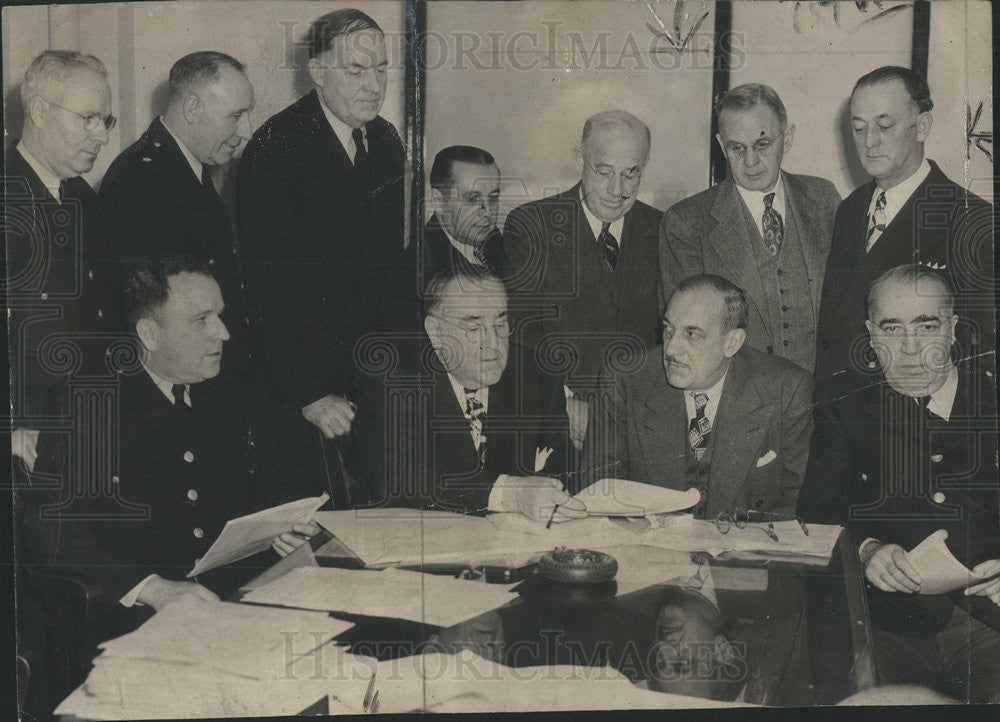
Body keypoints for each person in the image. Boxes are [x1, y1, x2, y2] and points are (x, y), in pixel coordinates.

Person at [21, 255, 301, 640]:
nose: (223, 333)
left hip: (243, 604)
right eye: (202, 320)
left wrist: (288, 528)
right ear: (149, 335)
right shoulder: (89, 402)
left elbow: (280, 487)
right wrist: (151, 588)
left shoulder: (238, 391)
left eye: (219, 315)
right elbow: (49, 526)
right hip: (139, 623)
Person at [800, 265, 1000, 702]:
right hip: (888, 624)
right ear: (871, 335)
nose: (910, 349)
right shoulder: (846, 403)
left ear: (952, 329)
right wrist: (867, 547)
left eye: (926, 326)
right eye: (892, 329)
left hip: (990, 620)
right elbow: (818, 507)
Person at [237, 8, 404, 503]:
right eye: (356, 70)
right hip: (299, 393)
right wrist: (308, 395)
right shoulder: (275, 147)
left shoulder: (387, 144)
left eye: (381, 68)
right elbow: (266, 289)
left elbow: (385, 271)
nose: (374, 85)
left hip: (367, 382)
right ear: (318, 72)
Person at [354, 266, 583, 520]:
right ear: (435, 332)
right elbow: (399, 481)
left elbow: (562, 466)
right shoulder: (394, 379)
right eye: (474, 329)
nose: (493, 343)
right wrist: (511, 493)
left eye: (500, 323)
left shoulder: (535, 373)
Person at [815, 66, 994, 382]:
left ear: (922, 126)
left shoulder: (973, 219)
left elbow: (981, 356)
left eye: (884, 126)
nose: (870, 142)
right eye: (858, 128)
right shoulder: (850, 209)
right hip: (840, 419)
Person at [585, 274, 814, 518]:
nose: (671, 349)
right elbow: (600, 495)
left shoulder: (786, 389)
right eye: (667, 329)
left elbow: (794, 507)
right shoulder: (626, 380)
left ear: (732, 343)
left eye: (691, 334)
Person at [504, 110, 662, 453]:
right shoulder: (532, 227)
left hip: (642, 429)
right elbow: (519, 339)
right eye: (604, 172)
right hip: (562, 425)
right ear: (580, 161)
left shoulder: (663, 230)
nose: (617, 190)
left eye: (631, 173)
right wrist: (563, 404)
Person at [659, 84, 841, 374]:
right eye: (737, 148)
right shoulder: (686, 222)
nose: (751, 161)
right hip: (742, 400)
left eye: (762, 144)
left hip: (824, 397)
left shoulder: (823, 199)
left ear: (788, 137)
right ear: (722, 146)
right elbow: (687, 337)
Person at [99, 51, 254, 362]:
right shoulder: (139, 178)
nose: (246, 131)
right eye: (236, 116)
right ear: (193, 108)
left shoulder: (185, 165)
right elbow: (142, 310)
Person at [5, 50, 116, 472]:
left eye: (104, 120)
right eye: (87, 118)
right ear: (38, 112)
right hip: (25, 446)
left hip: (83, 430)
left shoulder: (83, 197)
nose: (102, 136)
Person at [382, 145, 507, 337]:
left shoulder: (496, 243)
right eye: (473, 199)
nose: (488, 211)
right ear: (438, 201)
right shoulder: (410, 279)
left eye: (493, 198)